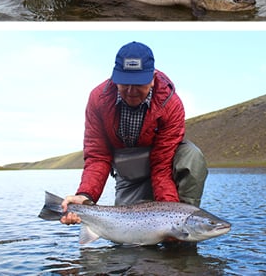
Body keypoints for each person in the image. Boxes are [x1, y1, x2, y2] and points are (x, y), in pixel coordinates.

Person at [60, 41, 208, 225]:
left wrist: (171, 218)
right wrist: (85, 195)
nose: (131, 91)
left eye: (138, 83)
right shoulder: (98, 99)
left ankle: (187, 226)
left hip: (163, 167)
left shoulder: (170, 104)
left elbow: (162, 165)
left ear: (153, 78)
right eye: (124, 82)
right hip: (128, 173)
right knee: (127, 245)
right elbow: (98, 156)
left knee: (191, 154)